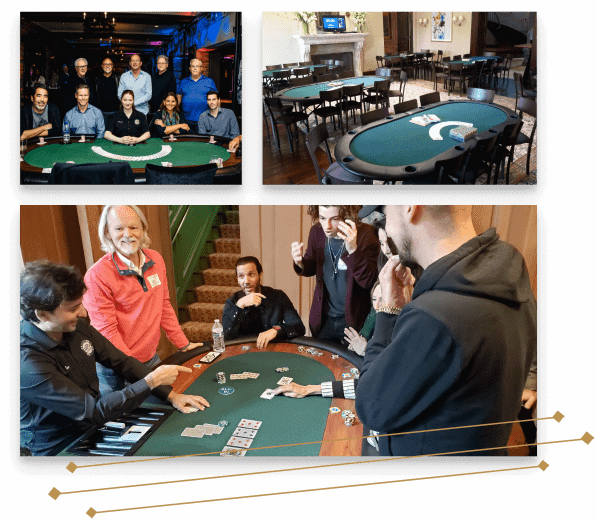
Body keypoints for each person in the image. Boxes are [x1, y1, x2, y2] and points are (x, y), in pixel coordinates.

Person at [353, 205, 536, 457]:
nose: (389, 229)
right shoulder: (509, 269)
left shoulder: (434, 315)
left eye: (387, 211)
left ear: (409, 208)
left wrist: (388, 312)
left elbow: (372, 407)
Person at [20, 260, 210, 456]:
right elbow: (94, 412)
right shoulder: (27, 364)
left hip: (93, 427)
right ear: (42, 314)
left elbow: (122, 362)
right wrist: (152, 381)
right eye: (73, 308)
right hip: (57, 447)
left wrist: (171, 395)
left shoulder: (77, 327)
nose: (83, 313)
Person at [82, 205, 203, 396]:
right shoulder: (96, 275)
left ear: (143, 230)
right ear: (107, 233)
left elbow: (163, 305)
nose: (127, 234)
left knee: (161, 410)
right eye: (119, 228)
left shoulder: (156, 259)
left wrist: (184, 344)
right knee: (125, 422)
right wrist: (136, 370)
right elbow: (107, 332)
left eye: (133, 227)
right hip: (116, 368)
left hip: (150, 357)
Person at [291, 205, 379, 345]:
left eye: (335, 219)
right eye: (322, 218)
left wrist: (353, 250)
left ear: (347, 216)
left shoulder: (367, 235)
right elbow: (312, 266)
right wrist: (300, 262)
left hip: (352, 322)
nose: (327, 226)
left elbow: (368, 281)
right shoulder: (317, 232)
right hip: (323, 320)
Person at [222, 256, 305, 349]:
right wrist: (239, 306)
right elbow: (227, 336)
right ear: (237, 279)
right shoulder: (232, 301)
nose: (246, 281)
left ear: (260, 274)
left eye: (251, 274)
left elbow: (299, 327)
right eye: (241, 276)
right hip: (244, 354)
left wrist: (276, 330)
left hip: (273, 351)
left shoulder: (278, 296)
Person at [177, 59, 217, 134]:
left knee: (203, 143)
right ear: (190, 68)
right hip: (186, 120)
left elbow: (216, 100)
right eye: (193, 66)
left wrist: (216, 117)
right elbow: (178, 100)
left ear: (201, 68)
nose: (195, 68)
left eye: (197, 66)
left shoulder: (209, 82)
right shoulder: (183, 82)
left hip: (205, 119)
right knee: (189, 143)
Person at [95, 58, 121, 125]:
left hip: (116, 112)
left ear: (112, 66)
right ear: (102, 66)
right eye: (105, 64)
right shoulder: (97, 79)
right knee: (102, 133)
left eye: (109, 64)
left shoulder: (118, 78)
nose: (107, 66)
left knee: (115, 133)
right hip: (101, 113)